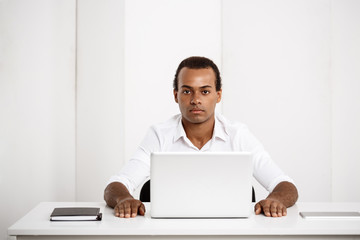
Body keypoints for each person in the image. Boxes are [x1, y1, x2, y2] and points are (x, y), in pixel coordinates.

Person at [104, 56, 298, 218]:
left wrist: (276, 200)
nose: (196, 99)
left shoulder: (237, 134)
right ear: (176, 95)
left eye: (205, 91)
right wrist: (124, 199)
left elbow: (285, 185)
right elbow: (116, 185)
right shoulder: (159, 134)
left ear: (218, 95)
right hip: (170, 233)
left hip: (229, 233)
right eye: (187, 91)